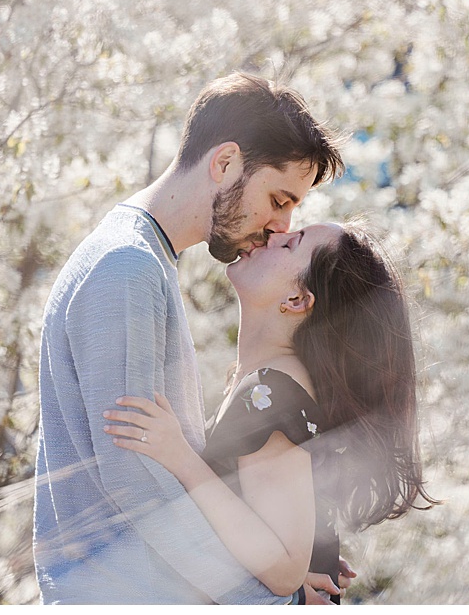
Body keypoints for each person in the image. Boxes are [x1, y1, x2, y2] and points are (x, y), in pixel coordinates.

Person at [33, 74, 350, 603]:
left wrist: (287, 551)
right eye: (278, 198)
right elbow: (133, 475)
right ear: (224, 163)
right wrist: (267, 597)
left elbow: (165, 463)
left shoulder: (144, 259)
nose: (280, 226)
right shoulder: (126, 267)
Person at [103, 222, 430, 603]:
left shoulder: (273, 392)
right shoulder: (271, 384)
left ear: (296, 299)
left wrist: (179, 457)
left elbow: (285, 568)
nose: (274, 234)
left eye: (291, 244)